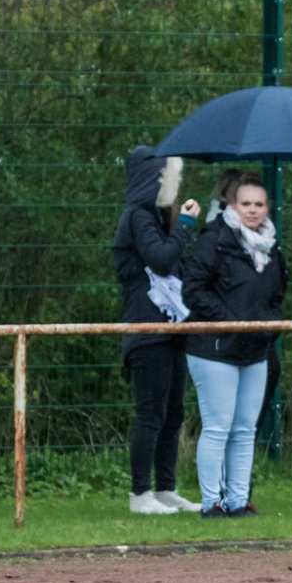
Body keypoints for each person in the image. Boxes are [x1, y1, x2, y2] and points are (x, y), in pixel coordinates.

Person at [182, 175, 287, 518]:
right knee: (218, 426)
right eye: (246, 204)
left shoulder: (272, 248)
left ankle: (238, 502)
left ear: (266, 208)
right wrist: (230, 321)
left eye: (259, 204)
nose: (253, 211)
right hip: (213, 348)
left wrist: (265, 329)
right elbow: (193, 289)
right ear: (232, 205)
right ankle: (211, 502)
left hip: (254, 351)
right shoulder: (213, 240)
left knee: (244, 429)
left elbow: (276, 295)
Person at [110, 145, 202, 515]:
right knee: (151, 413)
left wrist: (178, 226)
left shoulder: (156, 218)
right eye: (169, 177)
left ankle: (165, 488)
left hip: (172, 329)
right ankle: (139, 494)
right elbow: (162, 262)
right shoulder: (137, 216)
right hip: (147, 331)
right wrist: (185, 225)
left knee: (173, 412)